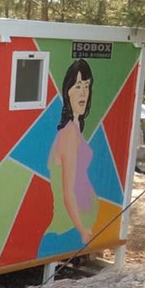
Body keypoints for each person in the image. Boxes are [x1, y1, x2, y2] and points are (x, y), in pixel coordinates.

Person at [40, 59, 99, 255]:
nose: (83, 92)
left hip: (71, 229)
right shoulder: (69, 134)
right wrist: (82, 231)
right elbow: (68, 193)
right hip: (65, 230)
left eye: (87, 86)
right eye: (78, 86)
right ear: (68, 92)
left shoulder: (74, 128)